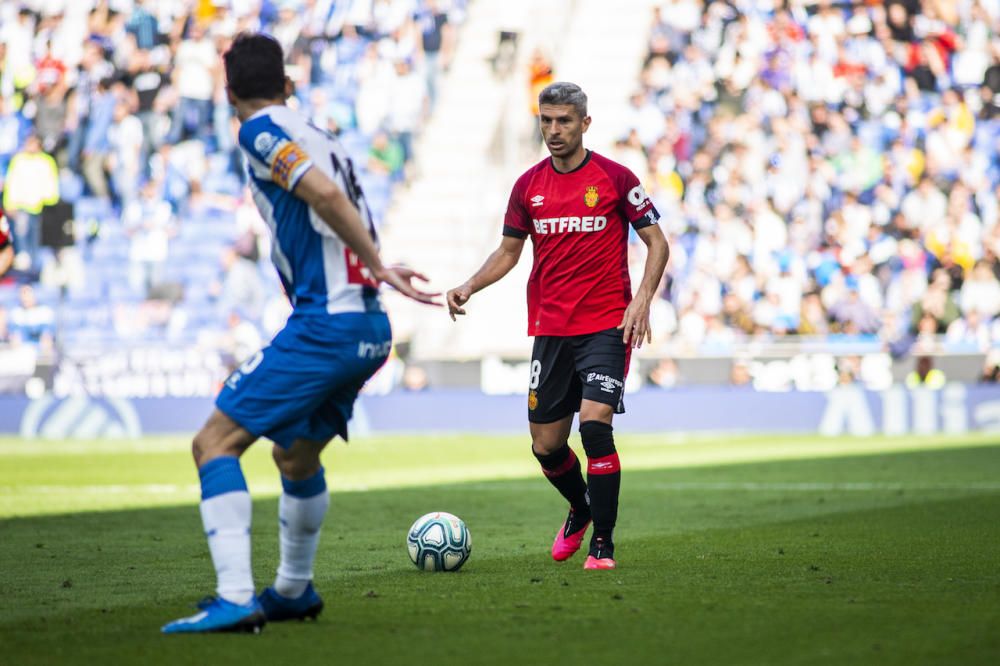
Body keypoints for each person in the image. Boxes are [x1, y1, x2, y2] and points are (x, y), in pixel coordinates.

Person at [161, 33, 439, 635]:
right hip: (366, 325)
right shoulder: (325, 135)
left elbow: (322, 194)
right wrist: (376, 270)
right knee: (294, 452)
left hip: (328, 324)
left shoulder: (259, 131)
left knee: (213, 444)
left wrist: (380, 264)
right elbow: (332, 194)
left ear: (229, 91)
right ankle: (292, 589)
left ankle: (236, 598)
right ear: (289, 84)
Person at [446, 82, 669, 570]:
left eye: (564, 121)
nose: (553, 130)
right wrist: (469, 285)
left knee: (594, 427)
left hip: (607, 326)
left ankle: (603, 546)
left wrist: (641, 301)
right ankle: (581, 507)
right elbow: (508, 252)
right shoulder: (528, 186)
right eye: (546, 120)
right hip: (550, 330)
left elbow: (657, 242)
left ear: (585, 123)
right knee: (546, 446)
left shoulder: (615, 178)